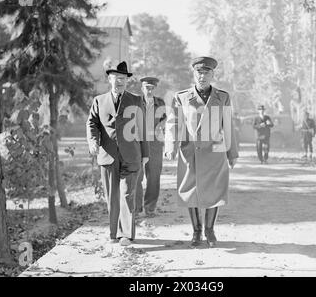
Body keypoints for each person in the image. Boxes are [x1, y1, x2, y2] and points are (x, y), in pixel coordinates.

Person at [165, 56, 239, 248]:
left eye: (206, 73)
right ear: (194, 74)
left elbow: (228, 126)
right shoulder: (181, 97)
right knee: (191, 193)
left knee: (214, 192)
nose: (202, 76)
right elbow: (173, 122)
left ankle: (210, 230)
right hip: (191, 152)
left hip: (214, 152)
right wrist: (171, 146)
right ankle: (196, 231)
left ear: (213, 75)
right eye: (199, 72)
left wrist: (232, 153)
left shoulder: (222, 97)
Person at [86, 60, 149, 246]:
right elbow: (92, 123)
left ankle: (126, 235)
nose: (119, 82)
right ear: (109, 79)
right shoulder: (99, 100)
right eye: (116, 78)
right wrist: (93, 142)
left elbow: (142, 127)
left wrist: (145, 153)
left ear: (127, 80)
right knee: (112, 197)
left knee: (127, 194)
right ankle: (114, 233)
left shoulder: (136, 100)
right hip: (108, 155)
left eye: (123, 78)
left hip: (131, 155)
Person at [136, 76, 167, 217]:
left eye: (152, 88)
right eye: (146, 87)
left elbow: (165, 118)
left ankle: (150, 208)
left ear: (155, 89)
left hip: (155, 143)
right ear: (142, 88)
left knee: (154, 176)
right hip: (137, 142)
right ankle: (136, 208)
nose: (149, 90)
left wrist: (162, 125)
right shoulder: (135, 102)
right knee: (136, 175)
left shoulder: (160, 103)